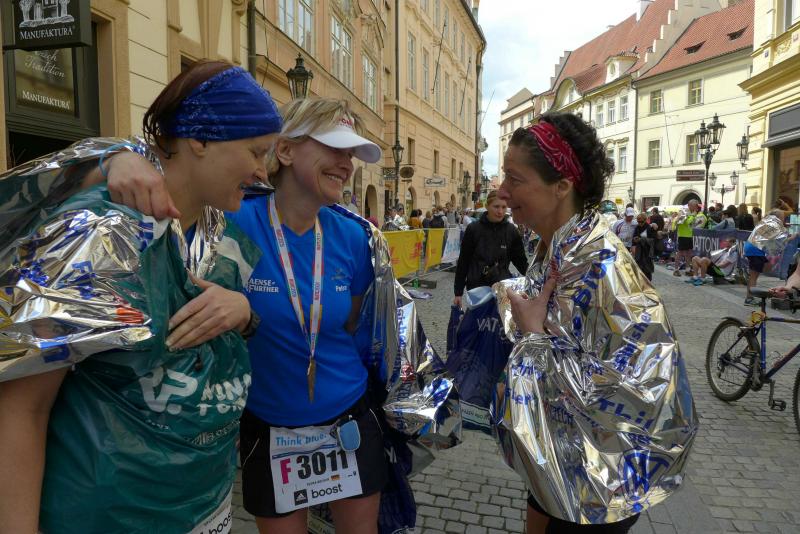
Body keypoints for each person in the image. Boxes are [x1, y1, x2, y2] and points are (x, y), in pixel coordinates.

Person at [0, 61, 280, 533]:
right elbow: (21, 405)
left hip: (203, 510)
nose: (261, 171)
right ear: (200, 139)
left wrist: (243, 312)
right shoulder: (97, 233)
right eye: (256, 151)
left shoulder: (222, 236)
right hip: (105, 517)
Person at [496, 113, 695, 534]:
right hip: (562, 458)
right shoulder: (559, 248)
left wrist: (532, 337)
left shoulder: (601, 265)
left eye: (515, 179)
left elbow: (635, 392)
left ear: (562, 186)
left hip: (600, 484)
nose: (501, 190)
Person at [453, 190, 528, 307]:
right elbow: (464, 261)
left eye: (504, 207)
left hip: (502, 288)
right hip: (477, 289)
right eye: (496, 207)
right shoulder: (473, 229)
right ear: (487, 206)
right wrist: (458, 292)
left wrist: (535, 281)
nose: (500, 211)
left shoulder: (511, 231)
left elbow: (520, 261)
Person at [672, 199, 706, 276]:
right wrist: (693, 215)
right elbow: (688, 222)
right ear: (690, 205)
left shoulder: (692, 212)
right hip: (683, 235)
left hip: (690, 235)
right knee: (680, 253)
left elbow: (692, 224)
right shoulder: (684, 212)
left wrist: (698, 221)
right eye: (695, 206)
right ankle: (676, 270)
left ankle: (687, 270)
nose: (696, 208)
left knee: (689, 253)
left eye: (697, 206)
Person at [632, 212, 656, 281]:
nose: (639, 223)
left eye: (641, 222)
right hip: (639, 251)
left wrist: (641, 239)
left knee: (647, 269)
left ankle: (648, 283)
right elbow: (634, 238)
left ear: (645, 220)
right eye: (638, 221)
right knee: (639, 267)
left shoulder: (649, 228)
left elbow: (653, 240)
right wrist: (635, 240)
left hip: (647, 252)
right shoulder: (637, 227)